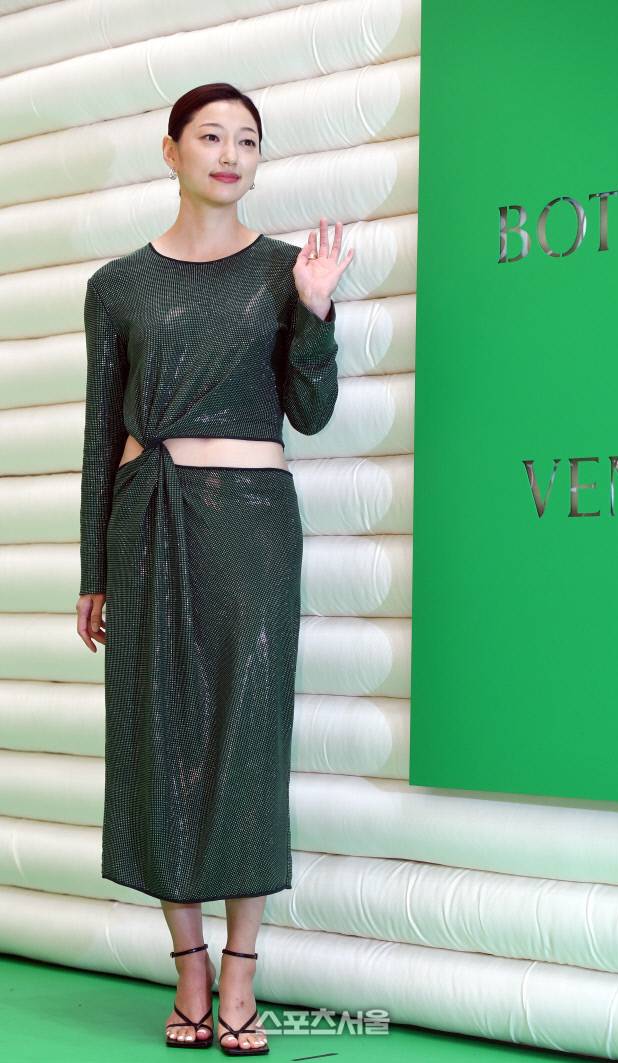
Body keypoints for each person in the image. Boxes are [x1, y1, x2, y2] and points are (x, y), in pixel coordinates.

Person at [74, 82, 354, 1053]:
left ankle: (241, 972)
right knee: (157, 736)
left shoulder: (286, 269)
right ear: (171, 151)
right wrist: (92, 569)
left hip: (251, 528)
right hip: (144, 521)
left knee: (245, 736)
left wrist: (314, 311)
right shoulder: (117, 285)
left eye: (247, 140)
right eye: (210, 136)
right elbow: (99, 433)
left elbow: (310, 412)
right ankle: (187, 966)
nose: (230, 153)